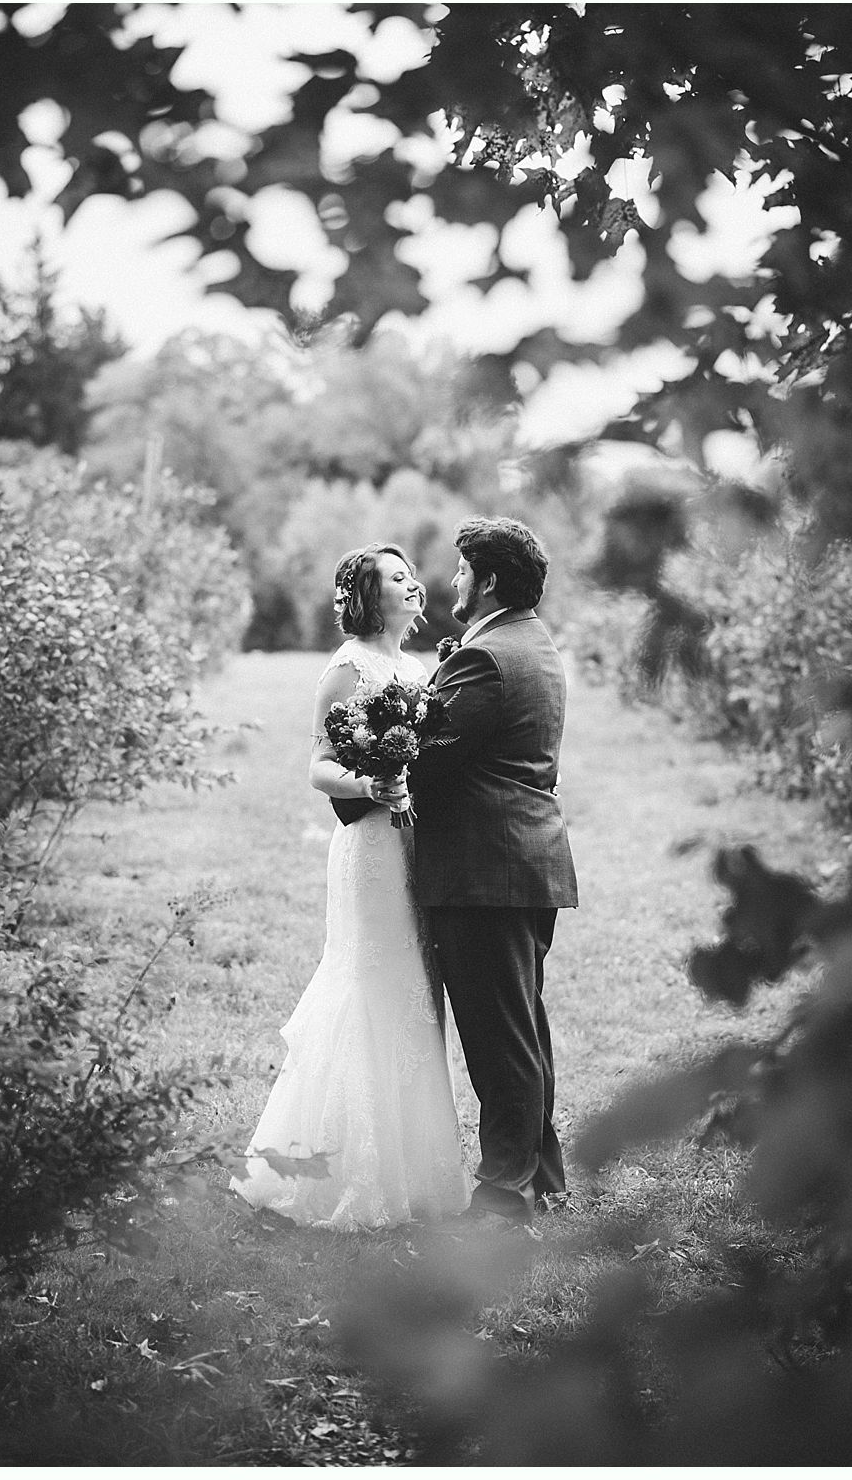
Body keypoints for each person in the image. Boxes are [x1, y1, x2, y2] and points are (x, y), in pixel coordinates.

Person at [231, 544, 469, 1228]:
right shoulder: (348, 668)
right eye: (396, 578)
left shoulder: (415, 667)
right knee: (369, 980)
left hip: (416, 842)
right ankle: (338, 1169)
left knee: (414, 989)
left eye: (411, 575)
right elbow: (317, 766)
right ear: (369, 596)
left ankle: (415, 1167)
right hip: (369, 849)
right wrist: (372, 783)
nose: (413, 584)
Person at [412, 516, 579, 1227]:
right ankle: (545, 1176)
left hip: (487, 869)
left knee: (498, 1038)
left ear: (491, 581)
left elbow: (429, 758)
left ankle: (503, 1196)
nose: (451, 581)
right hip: (520, 863)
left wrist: (382, 749)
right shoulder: (528, 641)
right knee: (522, 1026)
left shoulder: (488, 658)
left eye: (460, 571)